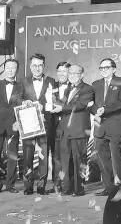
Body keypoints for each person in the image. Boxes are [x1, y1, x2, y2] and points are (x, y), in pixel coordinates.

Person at [51, 64, 93, 196]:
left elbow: (79, 105)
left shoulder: (87, 89)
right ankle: (67, 188)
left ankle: (79, 189)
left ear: (82, 75)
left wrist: (61, 108)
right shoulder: (68, 89)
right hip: (65, 131)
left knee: (79, 161)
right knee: (66, 161)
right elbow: (64, 104)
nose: (73, 76)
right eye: (71, 73)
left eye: (76, 73)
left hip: (79, 130)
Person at [90, 58, 121, 196]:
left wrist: (104, 109)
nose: (104, 70)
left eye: (106, 68)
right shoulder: (95, 84)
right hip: (100, 125)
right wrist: (96, 111)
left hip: (115, 124)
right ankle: (109, 187)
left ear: (114, 69)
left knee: (116, 155)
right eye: (101, 68)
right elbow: (90, 103)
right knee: (102, 158)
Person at [0, 59, 23, 193]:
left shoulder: (21, 86)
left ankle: (10, 185)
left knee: (12, 156)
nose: (10, 70)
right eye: (8, 67)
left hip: (14, 126)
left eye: (13, 68)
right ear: (4, 69)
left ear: (17, 70)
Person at [21, 53, 55, 195]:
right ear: (30, 66)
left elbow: (56, 100)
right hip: (29, 124)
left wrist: (46, 106)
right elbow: (17, 98)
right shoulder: (23, 81)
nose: (37, 68)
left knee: (43, 155)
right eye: (34, 65)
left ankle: (41, 186)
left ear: (44, 66)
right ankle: (28, 185)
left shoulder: (52, 81)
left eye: (40, 65)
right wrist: (23, 102)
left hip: (45, 123)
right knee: (27, 155)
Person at [51, 61, 71, 193]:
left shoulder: (75, 87)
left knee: (67, 157)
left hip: (69, 127)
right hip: (53, 126)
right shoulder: (52, 86)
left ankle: (67, 186)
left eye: (64, 71)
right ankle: (56, 185)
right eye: (59, 71)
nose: (61, 74)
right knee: (56, 157)